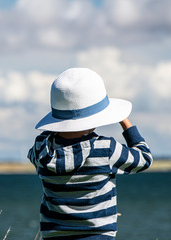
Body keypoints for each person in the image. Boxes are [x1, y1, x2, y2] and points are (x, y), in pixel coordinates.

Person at [27, 68, 153, 240]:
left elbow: (37, 149)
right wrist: (126, 122)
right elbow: (144, 158)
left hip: (54, 236)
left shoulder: (41, 149)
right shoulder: (106, 148)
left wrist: (57, 128)